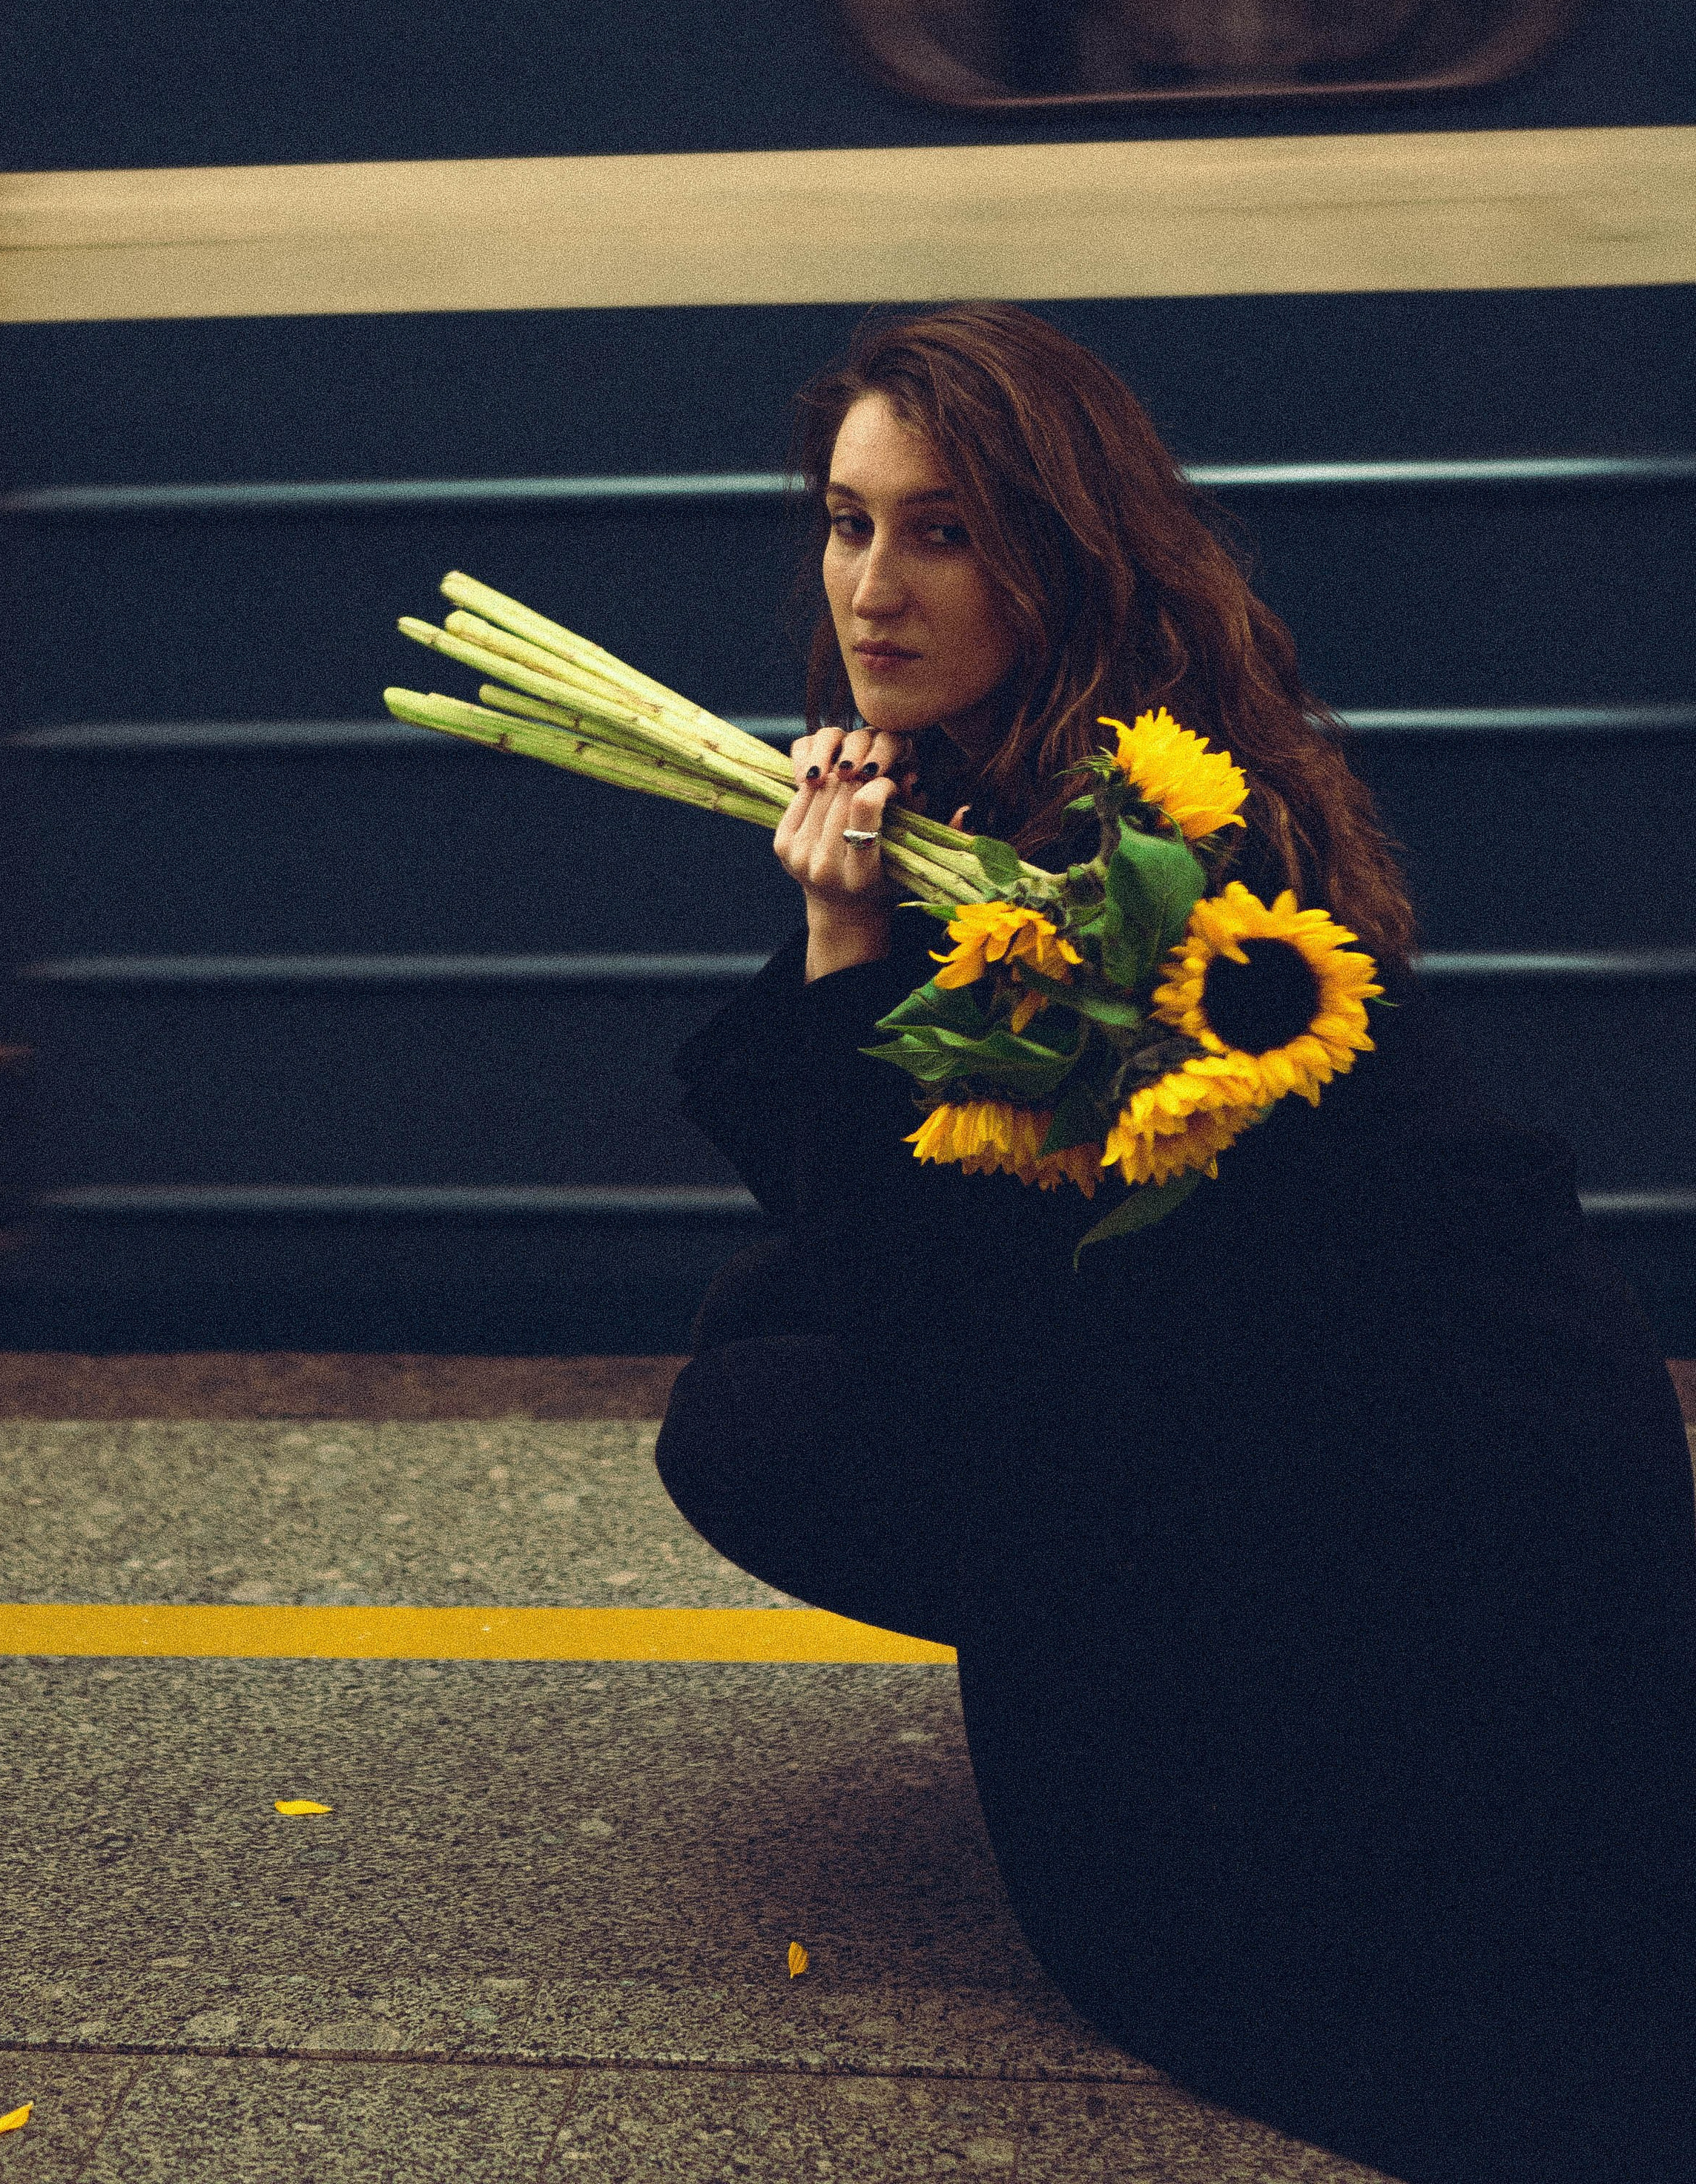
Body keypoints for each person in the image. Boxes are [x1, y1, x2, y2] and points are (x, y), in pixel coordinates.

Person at [654, 304, 1696, 2184]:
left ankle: (1192, 1681)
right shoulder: (1007, 781)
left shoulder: (1149, 864)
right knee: (763, 1327)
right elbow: (877, 1217)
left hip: (1437, 1505)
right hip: (1325, 1410)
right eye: (844, 520)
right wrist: (863, 927)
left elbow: (935, 1296)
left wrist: (837, 953)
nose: (871, 589)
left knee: (769, 1411)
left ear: (1059, 555)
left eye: (944, 531)